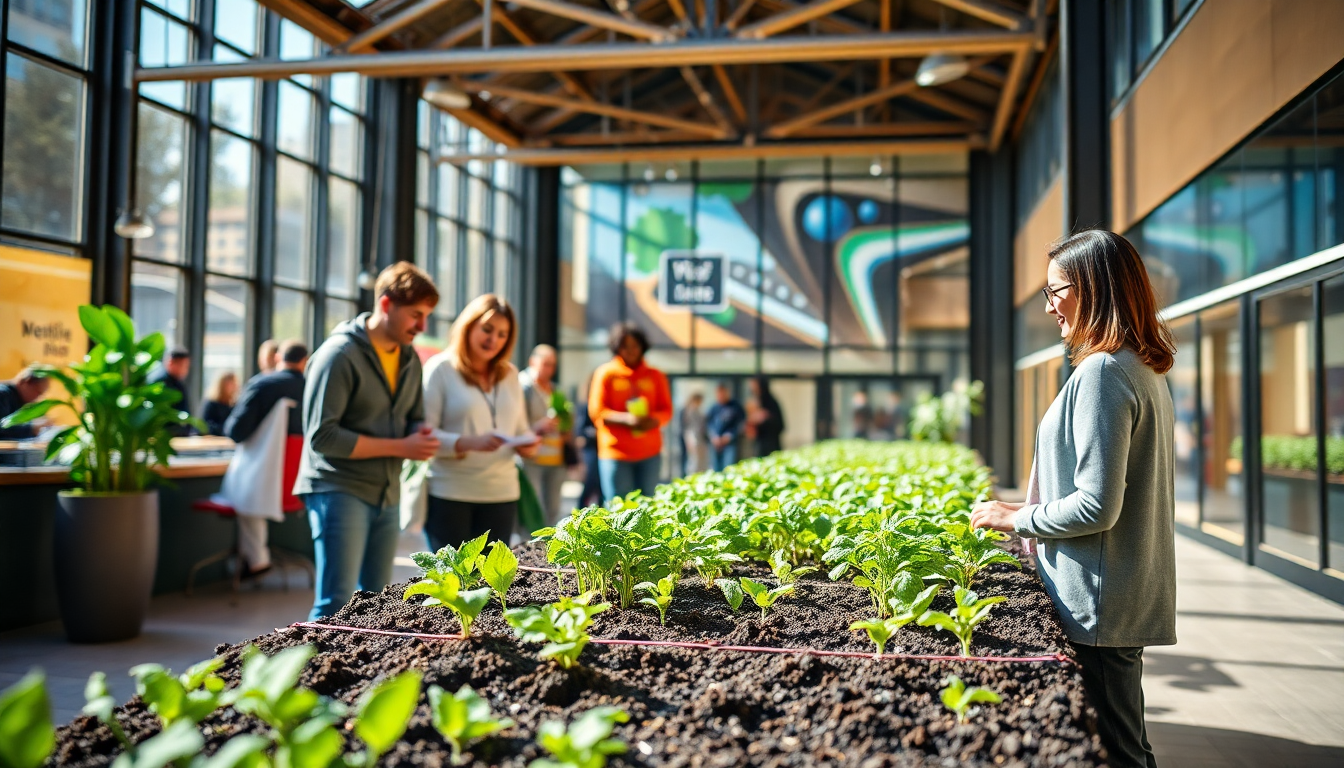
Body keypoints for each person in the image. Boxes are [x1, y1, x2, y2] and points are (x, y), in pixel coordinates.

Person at [970, 230, 1177, 768]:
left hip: (1099, 601)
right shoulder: (1139, 367)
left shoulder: (1105, 372)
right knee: (1123, 740)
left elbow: (1096, 505)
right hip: (1117, 592)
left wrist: (1017, 517)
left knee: (1121, 751)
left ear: (1091, 287)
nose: (1050, 305)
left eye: (1055, 289)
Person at [295, 262, 441, 621]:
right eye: (416, 316)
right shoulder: (337, 356)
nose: (422, 327)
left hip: (387, 492)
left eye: (427, 317)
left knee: (375, 605)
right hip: (338, 488)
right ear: (387, 305)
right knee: (335, 605)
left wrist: (420, 431)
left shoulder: (408, 358)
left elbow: (412, 417)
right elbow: (322, 436)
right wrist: (402, 447)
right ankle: (312, 676)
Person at [422, 295, 539, 551]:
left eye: (502, 334)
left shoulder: (509, 375)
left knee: (491, 586)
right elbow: (424, 436)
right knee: (453, 585)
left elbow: (520, 428)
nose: (493, 339)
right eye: (487, 329)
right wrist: (468, 442)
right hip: (451, 493)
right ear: (469, 325)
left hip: (502, 494)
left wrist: (528, 444)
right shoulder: (440, 369)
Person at [223, 340, 309, 576]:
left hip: (261, 482)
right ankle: (256, 558)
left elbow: (236, 432)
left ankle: (256, 559)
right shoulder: (314, 388)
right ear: (305, 361)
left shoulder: (263, 384)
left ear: (279, 357)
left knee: (245, 495)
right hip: (300, 487)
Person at [590, 322, 672, 500]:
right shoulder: (605, 374)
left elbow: (666, 410)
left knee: (648, 507)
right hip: (616, 453)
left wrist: (653, 420)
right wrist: (627, 419)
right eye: (625, 346)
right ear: (616, 348)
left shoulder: (656, 375)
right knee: (617, 506)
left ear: (643, 347)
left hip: (650, 453)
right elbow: (597, 412)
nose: (631, 351)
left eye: (635, 345)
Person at [518, 344, 568, 525]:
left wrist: (563, 427)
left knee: (553, 509)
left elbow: (567, 421)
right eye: (545, 364)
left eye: (552, 365)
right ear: (533, 362)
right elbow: (515, 424)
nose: (549, 369)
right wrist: (538, 426)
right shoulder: (523, 387)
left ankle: (547, 549)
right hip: (532, 458)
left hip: (556, 458)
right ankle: (532, 551)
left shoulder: (556, 390)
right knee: (533, 509)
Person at [149, 348, 194, 436]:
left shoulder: (177, 382)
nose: (186, 370)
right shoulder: (159, 383)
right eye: (183, 366)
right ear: (171, 362)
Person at [574, 374, 603, 508]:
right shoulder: (586, 406)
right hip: (592, 449)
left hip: (604, 449)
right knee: (591, 482)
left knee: (602, 486)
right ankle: (581, 512)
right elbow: (580, 431)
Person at [0, 366, 50, 439]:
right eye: (38, 392)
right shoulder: (3, 395)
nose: (38, 398)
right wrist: (31, 428)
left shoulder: (18, 398)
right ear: (25, 382)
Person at [705, 382, 746, 472]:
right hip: (716, 443)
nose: (721, 396)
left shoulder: (736, 407)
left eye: (723, 393)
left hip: (730, 442)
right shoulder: (714, 408)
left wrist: (729, 436)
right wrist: (714, 437)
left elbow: (741, 424)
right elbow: (708, 425)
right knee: (715, 468)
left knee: (729, 467)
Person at [747, 376, 784, 457]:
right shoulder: (753, 401)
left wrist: (766, 417)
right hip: (758, 444)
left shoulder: (771, 402)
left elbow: (781, 425)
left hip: (771, 444)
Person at [201, 372, 239, 437]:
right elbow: (205, 425)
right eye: (230, 384)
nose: (234, 387)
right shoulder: (211, 403)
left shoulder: (234, 405)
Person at [679, 392, 707, 476]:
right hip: (692, 437)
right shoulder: (689, 411)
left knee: (699, 460)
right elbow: (687, 428)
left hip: (699, 438)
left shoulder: (697, 411)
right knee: (693, 460)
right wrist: (688, 440)